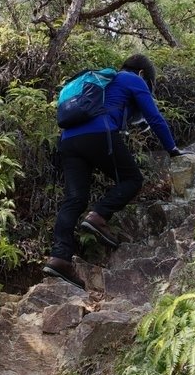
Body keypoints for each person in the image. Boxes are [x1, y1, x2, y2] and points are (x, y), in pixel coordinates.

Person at [43, 53, 183, 289]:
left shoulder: (101, 82)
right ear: (141, 74)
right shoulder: (133, 79)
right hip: (100, 133)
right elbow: (154, 117)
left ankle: (60, 257)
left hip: (68, 140)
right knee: (132, 179)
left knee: (74, 199)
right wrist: (172, 149)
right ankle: (98, 216)